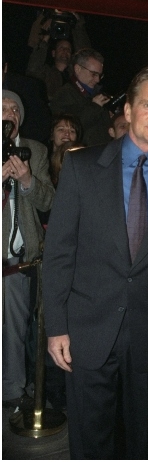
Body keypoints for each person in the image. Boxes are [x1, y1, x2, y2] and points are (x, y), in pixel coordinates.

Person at [42, 66, 148, 459]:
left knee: (147, 439)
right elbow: (59, 252)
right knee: (90, 437)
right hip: (87, 328)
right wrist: (57, 327)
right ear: (128, 111)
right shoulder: (81, 168)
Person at [2, 90, 55, 409]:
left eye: (15, 109)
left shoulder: (34, 150)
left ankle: (10, 390)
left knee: (15, 329)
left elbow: (50, 201)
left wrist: (27, 181)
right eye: (3, 107)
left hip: (16, 263)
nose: (10, 112)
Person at [49, 48, 112, 147]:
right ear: (78, 69)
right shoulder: (64, 94)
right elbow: (70, 127)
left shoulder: (96, 94)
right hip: (81, 156)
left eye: (100, 75)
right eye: (94, 74)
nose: (97, 79)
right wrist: (94, 107)